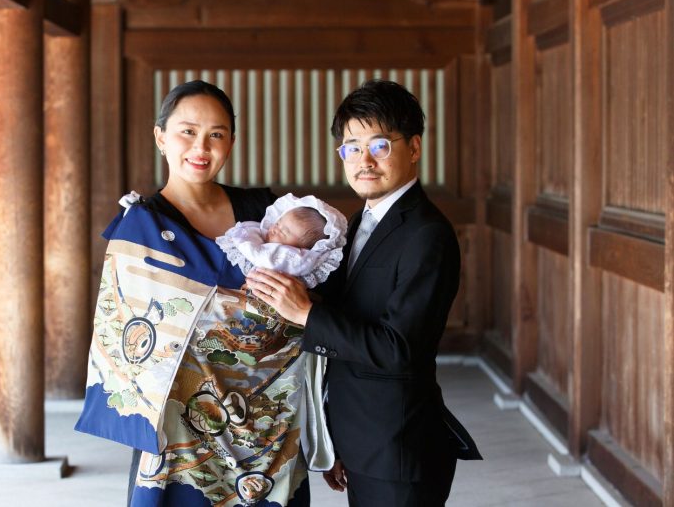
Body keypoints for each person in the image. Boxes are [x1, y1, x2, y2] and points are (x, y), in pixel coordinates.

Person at [75, 80, 333, 507]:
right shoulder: (140, 225)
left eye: (217, 134)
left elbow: (313, 293)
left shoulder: (264, 211)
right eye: (187, 131)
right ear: (160, 137)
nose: (201, 146)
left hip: (268, 423)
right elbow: (122, 328)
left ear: (231, 141)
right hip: (178, 423)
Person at [246, 79, 481, 506]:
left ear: (414, 147)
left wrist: (306, 314)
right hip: (364, 438)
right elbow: (349, 317)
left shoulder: (427, 234)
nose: (363, 160)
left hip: (399, 445)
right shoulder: (359, 222)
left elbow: (398, 349)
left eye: (380, 145)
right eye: (351, 147)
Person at [216, 193, 348, 289]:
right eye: (278, 223)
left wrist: (245, 242)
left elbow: (259, 256)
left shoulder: (293, 258)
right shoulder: (262, 234)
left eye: (283, 232)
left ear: (302, 249)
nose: (274, 228)